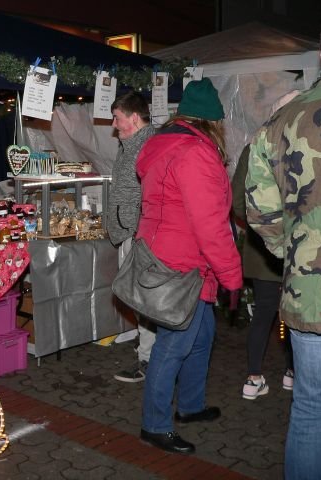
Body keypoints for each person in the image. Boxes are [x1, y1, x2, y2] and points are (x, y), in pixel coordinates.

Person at [245, 7, 321, 478]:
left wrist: (295, 255)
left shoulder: (281, 120)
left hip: (308, 296)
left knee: (311, 414)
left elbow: (259, 209)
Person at [136, 78, 242, 454]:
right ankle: (155, 424)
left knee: (201, 337)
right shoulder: (196, 153)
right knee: (174, 345)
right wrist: (232, 275)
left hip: (168, 257)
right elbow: (210, 223)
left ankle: (191, 406)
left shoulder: (163, 143)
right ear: (214, 120)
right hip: (184, 264)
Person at [233, 144, 293, 400]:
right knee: (292, 315)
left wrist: (259, 226)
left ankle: (253, 377)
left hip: (262, 247)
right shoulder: (304, 139)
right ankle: (293, 372)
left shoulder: (254, 148)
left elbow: (236, 200)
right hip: (299, 245)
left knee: (263, 314)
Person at [106, 91, 157, 383]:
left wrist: (138, 227)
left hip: (138, 233)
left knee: (142, 298)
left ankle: (148, 360)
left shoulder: (149, 144)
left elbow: (152, 191)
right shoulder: (128, 143)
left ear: (134, 118)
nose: (114, 124)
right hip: (128, 230)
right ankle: (148, 352)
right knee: (137, 298)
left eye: (118, 118)